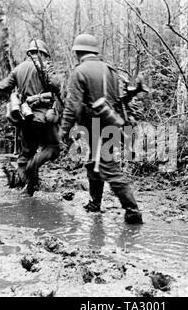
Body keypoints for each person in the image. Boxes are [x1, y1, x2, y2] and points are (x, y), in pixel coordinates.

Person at [60, 33, 143, 225]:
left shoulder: (79, 72)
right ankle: (95, 204)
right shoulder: (111, 70)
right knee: (93, 162)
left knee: (108, 167)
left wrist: (63, 132)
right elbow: (122, 100)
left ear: (78, 52)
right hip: (112, 124)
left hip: (95, 126)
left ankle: (132, 211)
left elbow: (71, 107)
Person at [0, 39, 64, 196]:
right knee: (54, 149)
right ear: (43, 53)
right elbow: (56, 85)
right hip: (44, 119)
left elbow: (0, 89)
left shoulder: (18, 69)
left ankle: (25, 192)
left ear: (29, 53)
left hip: (25, 118)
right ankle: (33, 168)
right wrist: (50, 73)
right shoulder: (45, 66)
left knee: (25, 156)